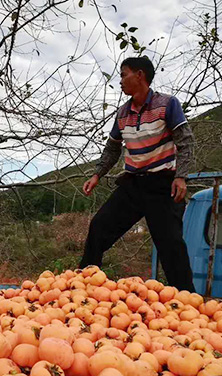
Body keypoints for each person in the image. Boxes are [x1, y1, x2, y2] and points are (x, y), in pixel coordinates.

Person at [79, 56, 195, 292]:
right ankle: (84, 286)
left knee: (171, 245)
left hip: (163, 186)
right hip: (132, 185)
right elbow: (112, 148)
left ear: (139, 75)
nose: (120, 81)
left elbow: (186, 142)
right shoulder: (122, 113)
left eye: (123, 75)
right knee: (99, 227)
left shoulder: (167, 104)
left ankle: (186, 300)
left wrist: (181, 176)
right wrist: (97, 175)